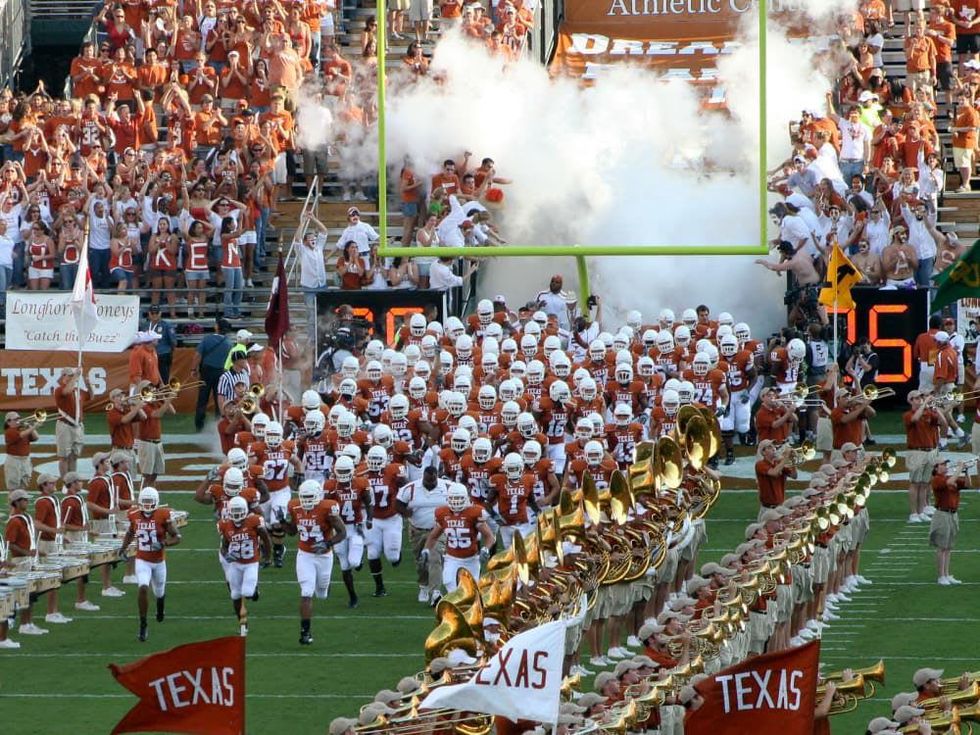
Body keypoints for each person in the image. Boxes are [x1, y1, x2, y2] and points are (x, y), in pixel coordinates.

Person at [280, 480, 347, 645]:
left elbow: (342, 533)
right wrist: (282, 522)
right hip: (305, 555)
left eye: (310, 497)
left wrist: (327, 543)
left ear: (318, 496)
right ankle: (305, 632)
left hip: (324, 556)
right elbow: (292, 531)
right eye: (304, 497)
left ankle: (325, 586)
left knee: (322, 593)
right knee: (306, 592)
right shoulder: (295, 506)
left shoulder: (327, 508)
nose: (307, 500)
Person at [119, 487, 182, 641]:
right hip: (142, 560)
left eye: (150, 501)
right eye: (145, 501)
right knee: (143, 587)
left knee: (159, 592)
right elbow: (130, 532)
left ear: (156, 502)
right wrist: (123, 548)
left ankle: (160, 608)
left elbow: (177, 537)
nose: (147, 505)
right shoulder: (134, 514)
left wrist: (163, 543)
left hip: (159, 561)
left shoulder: (163, 515)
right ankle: (143, 624)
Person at [422, 485, 494, 593]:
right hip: (452, 558)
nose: (456, 501)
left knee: (471, 591)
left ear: (466, 498)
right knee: (450, 584)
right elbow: (433, 536)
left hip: (471, 559)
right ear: (448, 498)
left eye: (459, 498)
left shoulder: (474, 513)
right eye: (453, 498)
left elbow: (489, 536)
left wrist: (486, 549)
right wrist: (426, 550)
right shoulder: (442, 513)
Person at [397, 465, 452, 606]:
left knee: (435, 557)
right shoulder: (411, 488)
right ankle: (423, 585)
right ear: (423, 478)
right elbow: (398, 504)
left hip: (438, 530)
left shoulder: (447, 487)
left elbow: (459, 503)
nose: (430, 484)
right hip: (417, 530)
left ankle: (435, 592)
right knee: (421, 560)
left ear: (436, 477)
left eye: (433, 481)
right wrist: (406, 513)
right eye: (427, 481)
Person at [218, 496, 272, 636]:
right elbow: (224, 546)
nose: (236, 514)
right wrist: (226, 555)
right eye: (234, 511)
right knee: (235, 594)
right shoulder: (225, 525)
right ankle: (243, 625)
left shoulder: (254, 521)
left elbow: (266, 539)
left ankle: (254, 590)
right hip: (235, 564)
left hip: (251, 563)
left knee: (247, 593)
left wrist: (267, 557)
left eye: (239, 511)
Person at [4, 490, 48, 635]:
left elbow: (28, 541)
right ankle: (23, 624)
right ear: (16, 502)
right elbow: (10, 544)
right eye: (24, 500)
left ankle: (29, 623)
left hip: (29, 559)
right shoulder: (14, 521)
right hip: (20, 561)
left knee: (31, 594)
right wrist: (26, 552)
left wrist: (36, 551)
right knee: (24, 594)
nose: (27, 502)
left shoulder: (26, 517)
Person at [33, 473, 73, 626]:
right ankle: (51, 613)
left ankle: (54, 611)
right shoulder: (43, 502)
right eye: (51, 482)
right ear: (44, 485)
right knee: (51, 580)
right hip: (46, 544)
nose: (54, 484)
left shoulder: (52, 499)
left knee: (54, 580)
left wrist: (61, 536)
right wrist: (55, 531)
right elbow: (37, 523)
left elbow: (52, 522)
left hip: (53, 542)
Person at [904, 390, 944, 524]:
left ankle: (921, 511)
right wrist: (926, 402)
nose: (920, 400)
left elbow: (943, 422)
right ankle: (913, 513)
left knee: (923, 484)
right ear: (910, 401)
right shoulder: (908, 415)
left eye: (921, 398)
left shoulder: (928, 414)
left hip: (929, 451)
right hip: (916, 452)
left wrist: (936, 409)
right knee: (915, 483)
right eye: (916, 398)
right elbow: (914, 419)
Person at [930, 458, 969, 586]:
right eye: (943, 464)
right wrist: (959, 468)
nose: (946, 465)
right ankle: (941, 576)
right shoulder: (937, 479)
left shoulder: (949, 478)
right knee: (942, 547)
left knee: (949, 547)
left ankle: (947, 574)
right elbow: (950, 482)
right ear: (936, 468)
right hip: (942, 515)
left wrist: (966, 471)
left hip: (953, 514)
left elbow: (967, 484)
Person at [192, 318, 234, 431]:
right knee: (219, 398)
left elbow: (197, 355)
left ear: (217, 327)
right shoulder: (229, 343)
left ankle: (199, 424)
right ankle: (219, 423)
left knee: (202, 398)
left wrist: (193, 369)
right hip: (221, 372)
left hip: (206, 371)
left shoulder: (207, 339)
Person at [53, 369, 87, 476]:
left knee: (74, 456)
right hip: (65, 425)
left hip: (78, 426)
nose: (72, 377)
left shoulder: (77, 391)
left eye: (73, 375)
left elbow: (91, 396)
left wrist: (89, 384)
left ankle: (72, 479)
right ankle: (65, 481)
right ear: (64, 376)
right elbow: (66, 391)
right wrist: (76, 376)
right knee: (64, 456)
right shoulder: (59, 389)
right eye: (70, 375)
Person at [754, 440, 797, 519]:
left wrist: (792, 460)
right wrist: (785, 458)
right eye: (769, 447)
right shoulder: (760, 464)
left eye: (774, 446)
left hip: (781, 507)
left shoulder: (780, 463)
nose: (774, 449)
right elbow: (773, 473)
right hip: (768, 509)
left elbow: (794, 476)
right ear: (763, 452)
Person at [3, 411, 38, 491]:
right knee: (13, 487)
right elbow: (21, 435)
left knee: (24, 485)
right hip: (14, 460)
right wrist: (34, 427)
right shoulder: (9, 431)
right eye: (16, 419)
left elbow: (36, 437)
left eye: (19, 418)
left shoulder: (24, 430)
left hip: (25, 460)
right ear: (9, 422)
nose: (19, 420)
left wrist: (30, 426)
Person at [145, 305, 177, 384]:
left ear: (160, 313)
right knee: (149, 380)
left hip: (162, 355)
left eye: (156, 313)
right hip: (148, 356)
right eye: (152, 313)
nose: (154, 315)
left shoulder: (166, 325)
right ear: (149, 314)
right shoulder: (145, 325)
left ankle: (164, 391)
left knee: (163, 379)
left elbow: (173, 342)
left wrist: (169, 351)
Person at [217, 347, 252, 412]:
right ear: (236, 361)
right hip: (231, 410)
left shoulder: (245, 374)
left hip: (244, 409)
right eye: (243, 359)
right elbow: (220, 396)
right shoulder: (225, 377)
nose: (245, 361)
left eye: (245, 358)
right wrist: (223, 414)